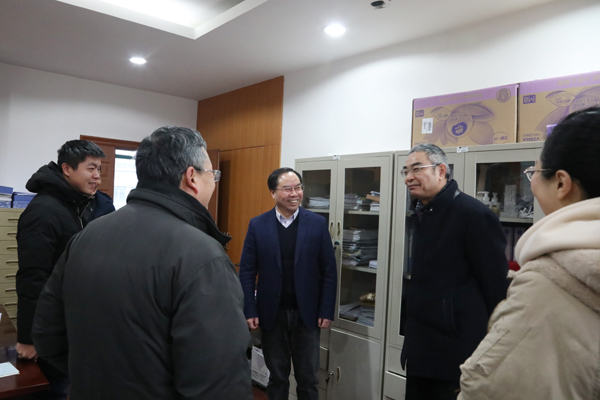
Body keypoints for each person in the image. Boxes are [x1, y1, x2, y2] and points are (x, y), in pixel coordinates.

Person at [32, 126, 252, 400]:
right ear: (192, 177)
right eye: (212, 174)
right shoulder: (202, 256)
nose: (214, 181)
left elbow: (47, 335)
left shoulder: (87, 235)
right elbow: (219, 385)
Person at [458, 106, 600, 400]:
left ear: (561, 183)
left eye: (534, 171)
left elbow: (489, 389)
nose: (532, 181)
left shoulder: (549, 285)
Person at [400, 144, 509, 400]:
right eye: (406, 171)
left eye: (417, 169)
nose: (408, 177)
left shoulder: (474, 215)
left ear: (441, 171)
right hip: (420, 346)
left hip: (454, 352)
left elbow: (495, 287)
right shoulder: (423, 211)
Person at [16, 139, 114, 399]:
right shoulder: (43, 212)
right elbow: (32, 278)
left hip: (80, 322)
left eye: (99, 169)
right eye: (91, 169)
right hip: (53, 327)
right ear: (67, 169)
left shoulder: (84, 204)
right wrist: (28, 337)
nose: (97, 176)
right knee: (56, 388)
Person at [239, 167, 337, 400]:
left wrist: (326, 310)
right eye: (287, 189)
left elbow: (329, 271)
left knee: (308, 379)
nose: (294, 194)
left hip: (307, 315)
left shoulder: (316, 223)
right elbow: (247, 271)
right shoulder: (258, 225)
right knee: (277, 378)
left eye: (298, 188)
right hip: (272, 315)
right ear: (273, 193)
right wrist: (250, 309)